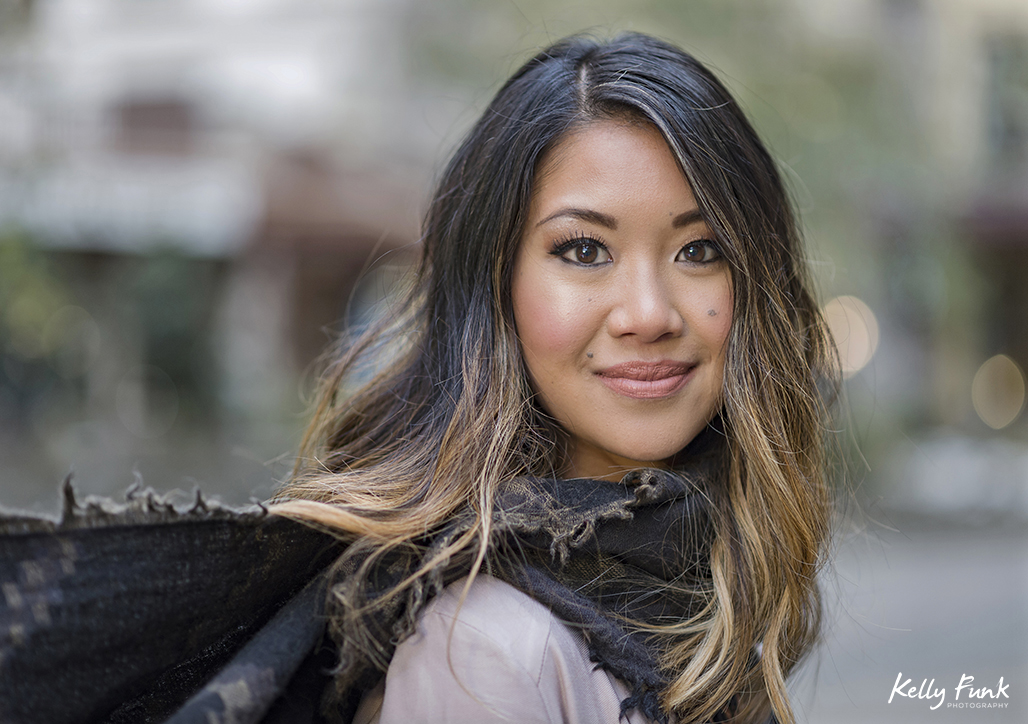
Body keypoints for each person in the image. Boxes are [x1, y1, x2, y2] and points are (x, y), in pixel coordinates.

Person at [270, 31, 837, 724]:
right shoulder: (489, 654)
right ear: (495, 286)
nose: (649, 314)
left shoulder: (698, 595)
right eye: (584, 249)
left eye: (700, 249)